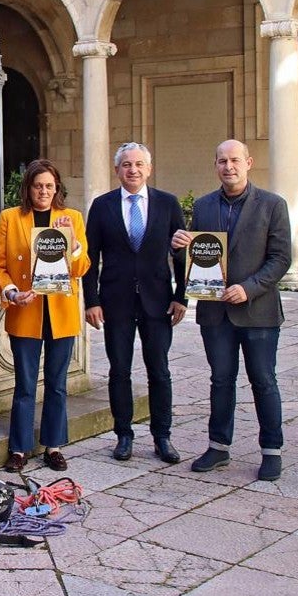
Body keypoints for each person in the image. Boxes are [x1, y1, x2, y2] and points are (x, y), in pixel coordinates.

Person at [171, 139, 291, 481]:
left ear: (248, 163)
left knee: (263, 381)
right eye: (222, 161)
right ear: (216, 166)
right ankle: (218, 446)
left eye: (235, 160)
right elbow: (199, 260)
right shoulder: (205, 206)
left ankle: (272, 450)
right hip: (215, 314)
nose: (229, 166)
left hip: (259, 312)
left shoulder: (273, 205)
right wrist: (179, 249)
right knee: (221, 380)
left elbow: (281, 258)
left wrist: (249, 288)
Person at [83, 142, 187, 464]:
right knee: (119, 371)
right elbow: (90, 257)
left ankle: (162, 436)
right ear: (117, 171)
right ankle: (124, 435)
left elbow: (181, 252)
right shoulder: (102, 206)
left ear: (149, 169)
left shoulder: (168, 204)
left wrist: (180, 296)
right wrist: (92, 300)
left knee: (160, 370)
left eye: (139, 164)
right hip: (116, 302)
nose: (133, 170)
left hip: (158, 303)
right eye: (126, 165)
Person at [0, 159, 91, 473]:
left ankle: (54, 446)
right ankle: (19, 449)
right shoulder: (10, 217)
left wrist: (73, 248)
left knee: (58, 385)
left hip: (61, 313)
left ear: (56, 188)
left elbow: (82, 267)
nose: (43, 191)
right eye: (38, 186)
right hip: (26, 310)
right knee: (25, 385)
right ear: (28, 188)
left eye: (49, 186)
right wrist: (10, 293)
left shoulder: (71, 218)